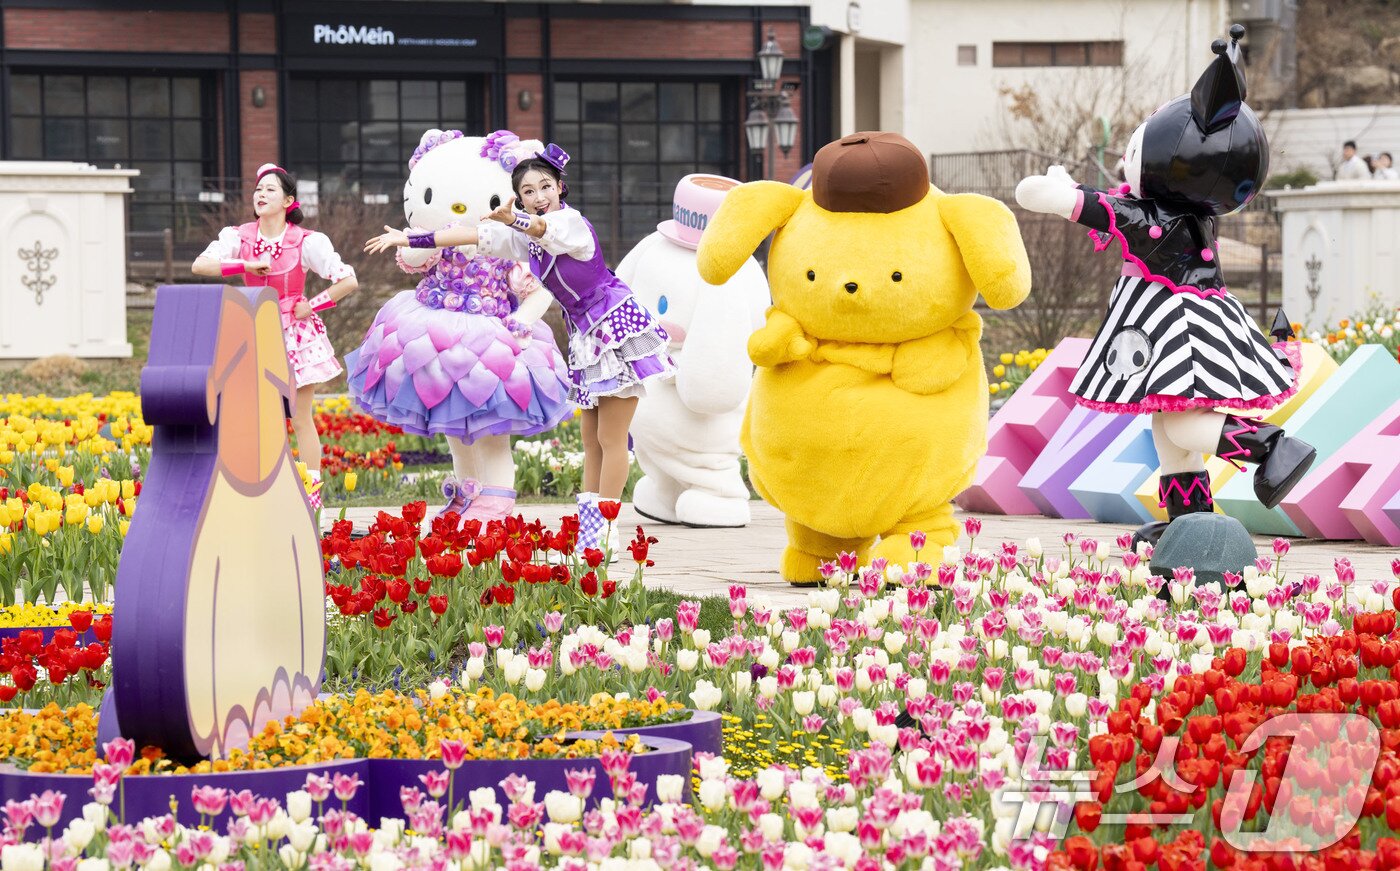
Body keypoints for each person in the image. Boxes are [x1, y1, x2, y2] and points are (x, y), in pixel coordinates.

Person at [1015, 25, 1315, 554]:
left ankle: (1272, 449)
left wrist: (1060, 193)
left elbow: (1082, 205)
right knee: (1169, 425)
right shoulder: (1192, 214)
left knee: (1183, 422)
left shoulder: (1160, 216)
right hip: (1190, 322)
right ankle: (1189, 517)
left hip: (1176, 331)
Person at [366, 144, 675, 557]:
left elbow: (546, 231)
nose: (538, 195)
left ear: (561, 187)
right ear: (518, 195)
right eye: (527, 190)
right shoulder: (523, 239)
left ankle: (606, 528)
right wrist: (411, 236)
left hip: (614, 326)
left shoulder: (571, 223)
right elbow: (471, 234)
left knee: (610, 436)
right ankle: (590, 530)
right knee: (590, 438)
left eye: (545, 186)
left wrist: (516, 218)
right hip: (585, 333)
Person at [343, 129, 574, 525]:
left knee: (490, 427)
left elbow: (539, 291)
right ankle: (467, 490)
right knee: (452, 422)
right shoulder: (448, 240)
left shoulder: (512, 245)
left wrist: (522, 320)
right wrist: (411, 242)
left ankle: (496, 502)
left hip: (492, 340)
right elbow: (419, 258)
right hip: (433, 334)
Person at [193, 163, 358, 509]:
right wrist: (245, 266)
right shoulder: (238, 237)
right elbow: (200, 266)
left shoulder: (307, 241)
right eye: (257, 190)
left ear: (288, 201)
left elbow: (348, 281)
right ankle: (262, 491)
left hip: (295, 334)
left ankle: (312, 497)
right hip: (254, 329)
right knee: (257, 416)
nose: (261, 195)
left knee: (299, 416)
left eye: (270, 189)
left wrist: (311, 306)